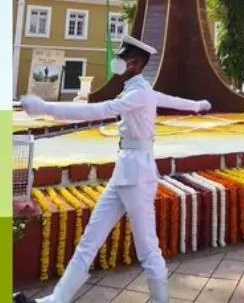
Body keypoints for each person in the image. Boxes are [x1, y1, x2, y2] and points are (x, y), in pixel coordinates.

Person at [18, 36, 212, 303]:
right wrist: (197, 105)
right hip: (124, 173)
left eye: (123, 57)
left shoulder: (138, 93)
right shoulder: (139, 90)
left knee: (147, 249)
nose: (117, 61)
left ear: (135, 64)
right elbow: (171, 99)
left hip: (138, 176)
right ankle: (58, 299)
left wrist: (45, 108)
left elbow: (100, 110)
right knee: (89, 240)